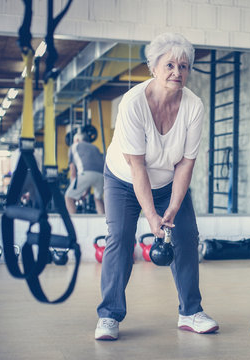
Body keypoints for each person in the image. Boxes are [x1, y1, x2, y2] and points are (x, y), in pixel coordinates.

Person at [94, 32, 218, 341]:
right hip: (124, 179)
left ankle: (191, 312)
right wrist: (151, 215)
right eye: (170, 65)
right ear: (154, 68)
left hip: (167, 183)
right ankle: (109, 315)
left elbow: (186, 163)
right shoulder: (133, 104)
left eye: (184, 66)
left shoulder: (194, 106)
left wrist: (172, 209)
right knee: (120, 238)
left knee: (187, 236)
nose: (178, 73)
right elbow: (137, 167)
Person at [65, 132, 105, 214]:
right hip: (102, 176)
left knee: (69, 197)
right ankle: (103, 222)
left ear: (76, 140)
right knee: (98, 198)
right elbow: (91, 177)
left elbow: (73, 171)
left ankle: (73, 223)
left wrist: (75, 189)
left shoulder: (73, 146)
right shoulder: (95, 148)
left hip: (85, 174)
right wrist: (83, 193)